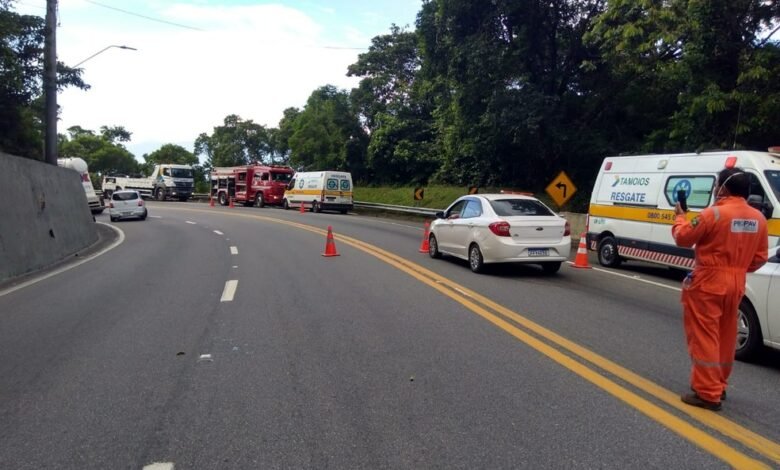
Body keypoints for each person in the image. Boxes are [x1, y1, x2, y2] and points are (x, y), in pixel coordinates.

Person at [671, 167, 768, 410]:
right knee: (726, 336)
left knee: (705, 336)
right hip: (736, 282)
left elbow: (683, 237)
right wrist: (738, 266)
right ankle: (719, 385)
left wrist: (680, 216)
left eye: (717, 184)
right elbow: (760, 258)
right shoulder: (758, 219)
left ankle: (707, 393)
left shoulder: (712, 214)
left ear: (723, 187)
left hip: (708, 281)